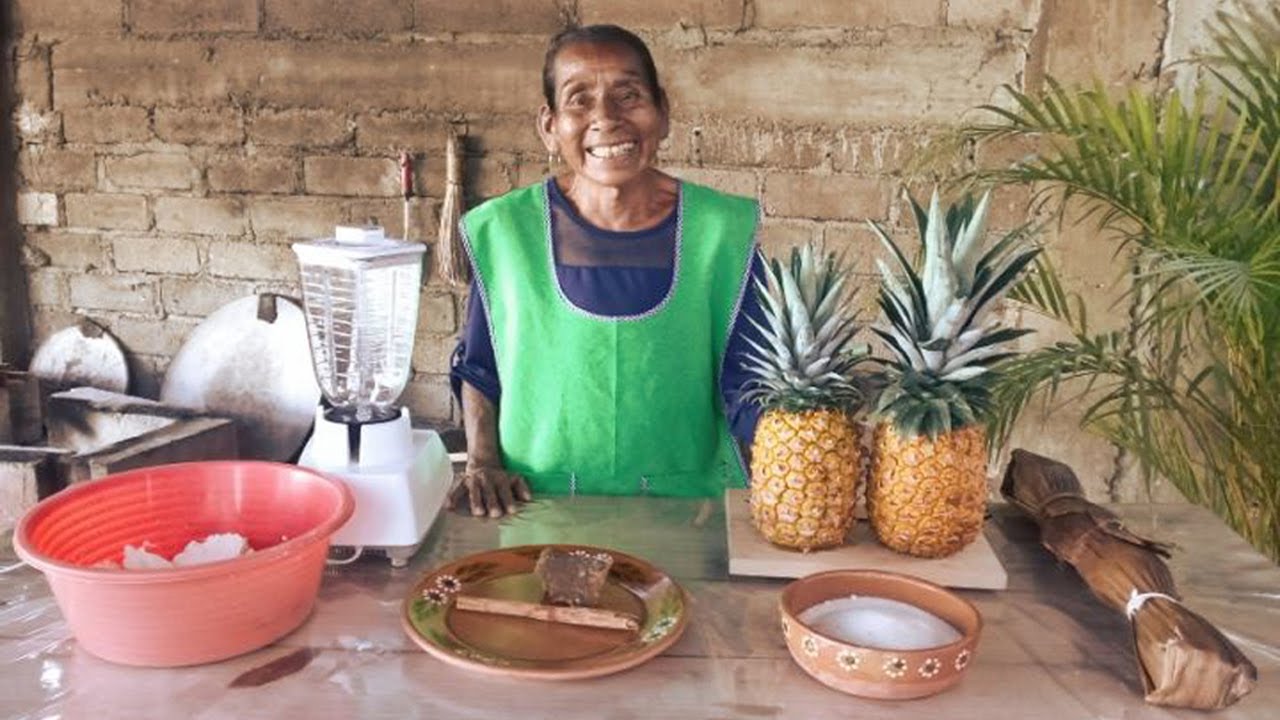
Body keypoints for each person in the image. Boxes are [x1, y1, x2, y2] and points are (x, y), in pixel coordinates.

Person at [449, 24, 767, 517]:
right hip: (535, 511)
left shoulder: (721, 232)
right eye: (579, 100)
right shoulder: (505, 232)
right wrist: (482, 462)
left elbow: (751, 382)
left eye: (629, 94)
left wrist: (788, 470)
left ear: (663, 112)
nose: (606, 118)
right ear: (549, 126)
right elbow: (480, 368)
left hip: (689, 516)